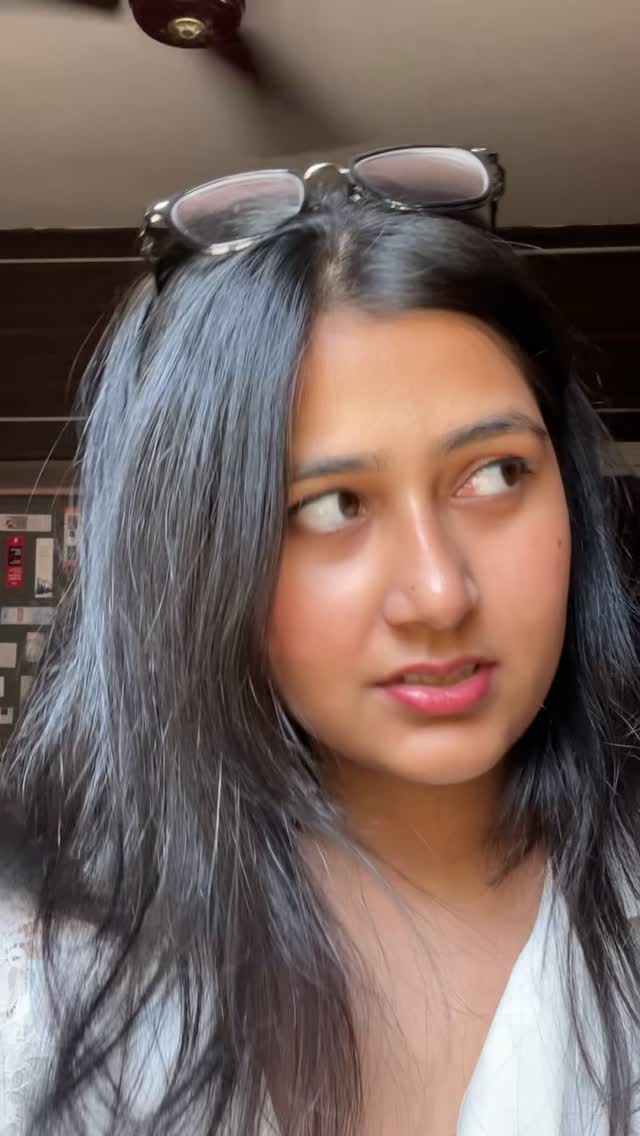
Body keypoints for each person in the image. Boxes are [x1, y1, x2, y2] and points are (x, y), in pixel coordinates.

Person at [0, 147, 639, 1136]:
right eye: (333, 504)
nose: (438, 591)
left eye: (494, 474)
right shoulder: (45, 974)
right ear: (195, 556)